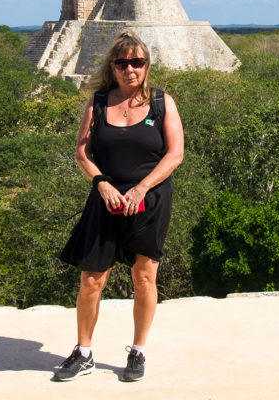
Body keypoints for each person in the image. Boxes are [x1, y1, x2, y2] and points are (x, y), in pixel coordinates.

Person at [53, 31, 184, 383]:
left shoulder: (161, 102)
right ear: (112, 66)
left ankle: (137, 351)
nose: (130, 69)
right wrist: (101, 183)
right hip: (106, 199)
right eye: (123, 62)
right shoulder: (98, 103)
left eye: (137, 62)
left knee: (144, 278)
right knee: (91, 280)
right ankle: (83, 353)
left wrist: (142, 188)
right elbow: (83, 152)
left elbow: (175, 154)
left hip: (150, 199)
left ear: (147, 66)